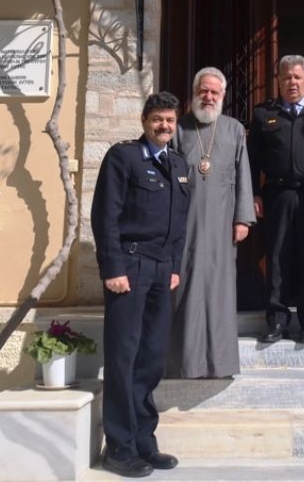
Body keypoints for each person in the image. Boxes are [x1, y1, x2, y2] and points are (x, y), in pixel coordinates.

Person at [91, 92, 189, 477]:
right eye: (157, 119)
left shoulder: (177, 164)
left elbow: (180, 224)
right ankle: (119, 448)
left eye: (170, 120)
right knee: (123, 358)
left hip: (163, 271)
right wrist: (112, 268)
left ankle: (144, 442)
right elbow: (105, 216)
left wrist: (175, 266)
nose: (164, 126)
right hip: (129, 269)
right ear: (144, 120)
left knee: (151, 359)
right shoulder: (124, 157)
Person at [168, 66, 256, 379]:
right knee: (186, 291)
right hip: (185, 223)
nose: (208, 96)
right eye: (203, 91)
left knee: (219, 292)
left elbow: (243, 175)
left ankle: (220, 363)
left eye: (214, 92)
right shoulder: (179, 128)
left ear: (223, 96)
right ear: (194, 93)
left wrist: (243, 218)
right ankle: (185, 363)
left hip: (221, 224)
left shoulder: (234, 129)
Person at [249, 55, 304, 344]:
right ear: (279, 81)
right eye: (286, 77)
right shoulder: (264, 114)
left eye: (297, 77)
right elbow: (252, 160)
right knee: (276, 258)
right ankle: (277, 319)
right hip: (278, 195)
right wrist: (254, 193)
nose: (292, 82)